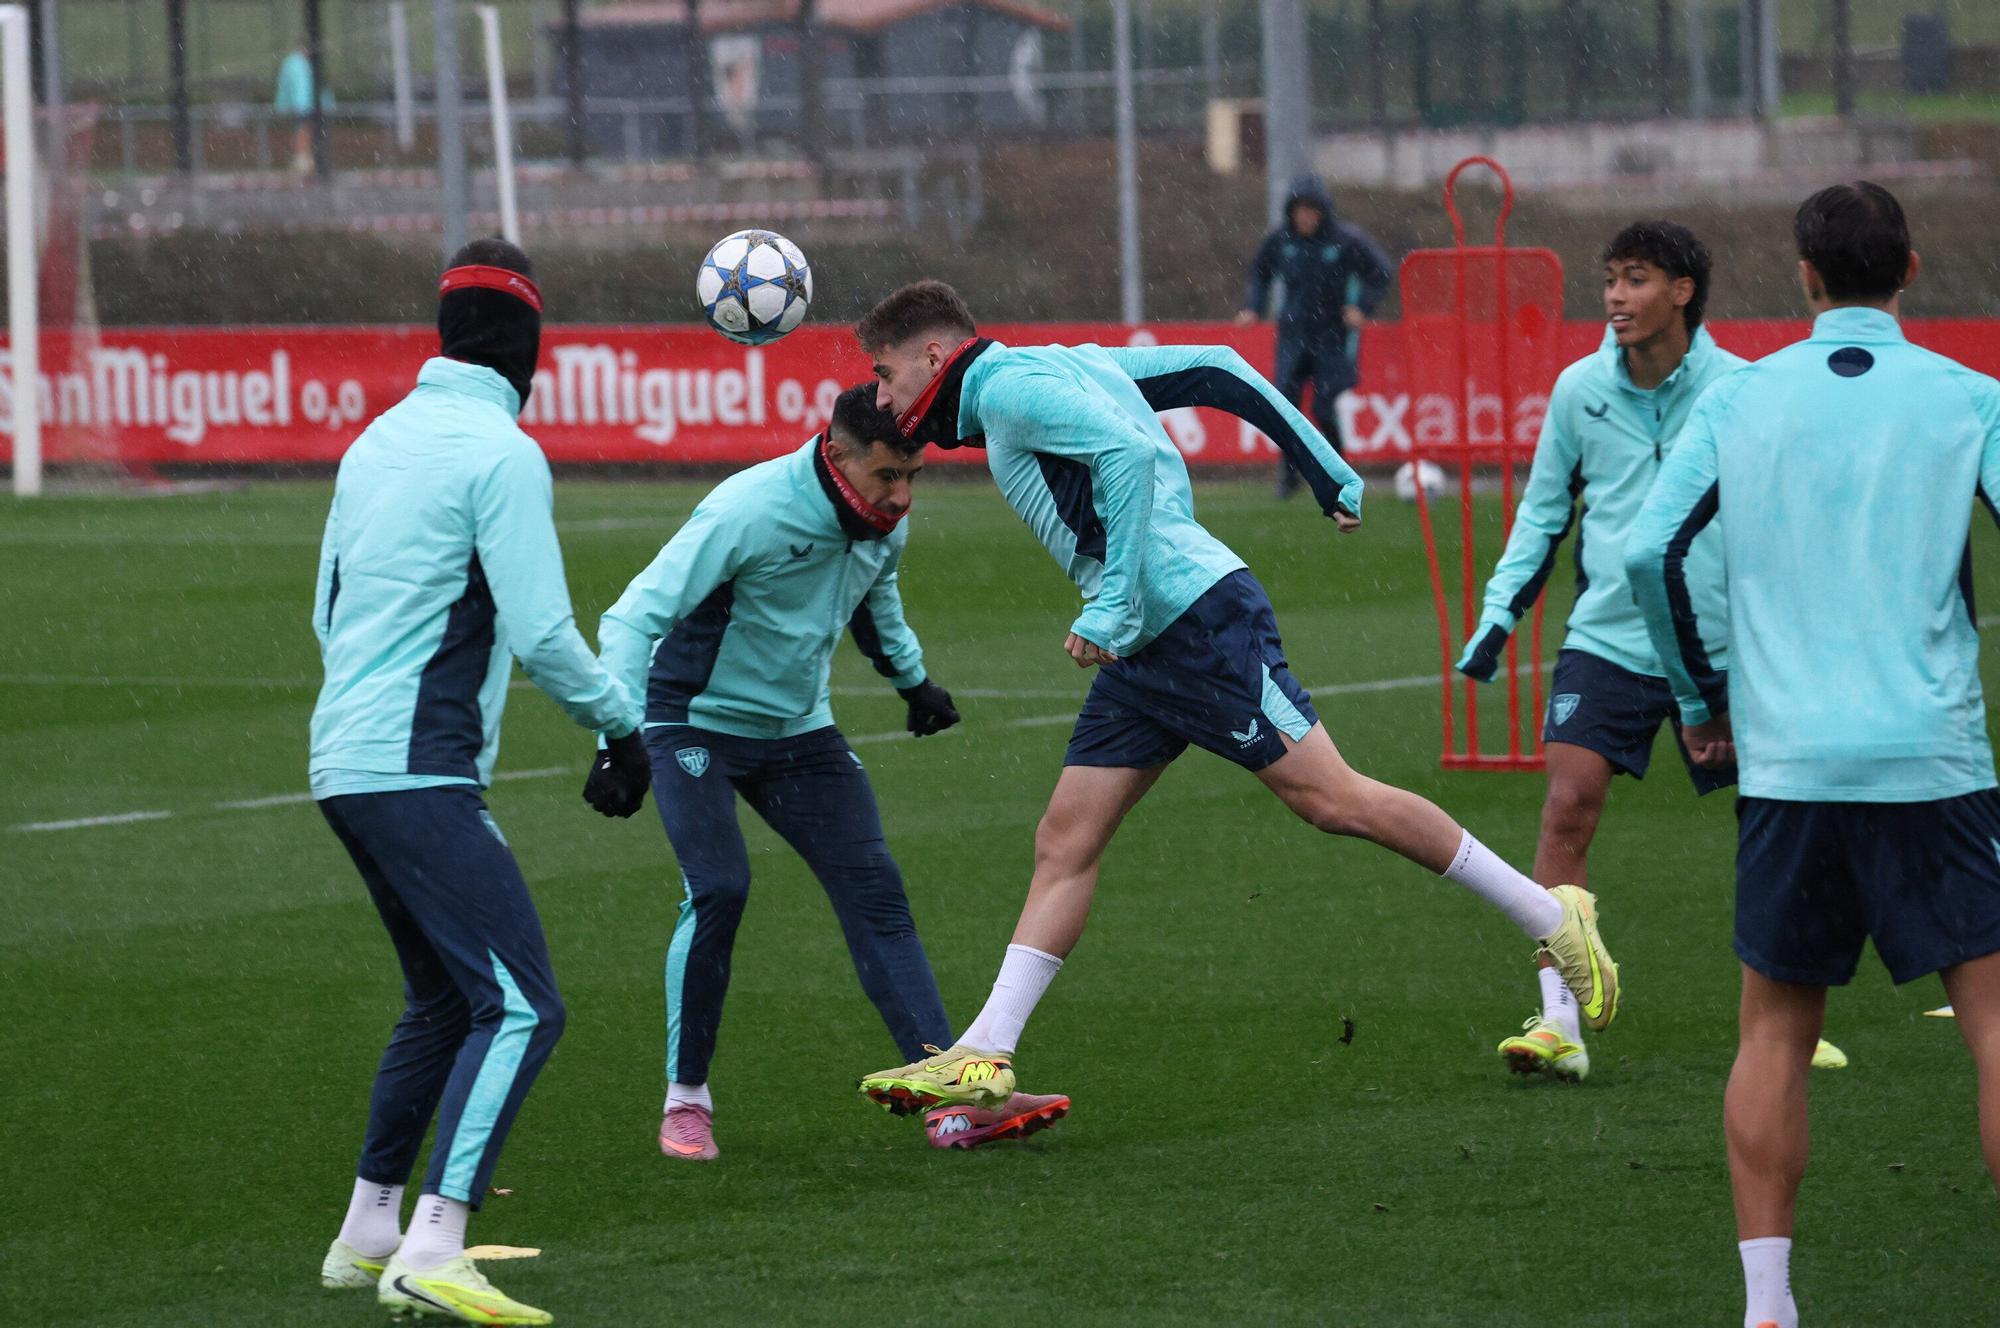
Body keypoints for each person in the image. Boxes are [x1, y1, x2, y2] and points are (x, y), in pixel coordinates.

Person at [848, 280, 1619, 1116]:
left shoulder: (1007, 389)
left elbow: (1130, 456)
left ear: (934, 356)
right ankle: (986, 1055)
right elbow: (1219, 367)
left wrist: (1109, 605)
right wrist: (1327, 472)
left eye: (886, 376)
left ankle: (1551, 916)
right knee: (1065, 838)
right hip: (1147, 642)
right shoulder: (1059, 363)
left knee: (1335, 800)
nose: (884, 398)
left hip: (1190, 619)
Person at [1625, 181, 2000, 1328]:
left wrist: (1700, 698)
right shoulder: (1967, 396)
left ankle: (1767, 1304)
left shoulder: (1743, 401)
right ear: (1911, 267)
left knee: (1775, 1031)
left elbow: (1648, 553)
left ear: (1801, 274)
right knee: (1992, 1019)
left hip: (1787, 764)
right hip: (1929, 757)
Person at [310, 237, 650, 1326]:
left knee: (443, 997)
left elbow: (327, 608)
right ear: (528, 349)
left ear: (444, 334)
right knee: (522, 1006)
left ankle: (369, 1229)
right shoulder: (501, 454)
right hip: (416, 764)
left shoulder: (373, 443)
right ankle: (435, 1242)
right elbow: (544, 630)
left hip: (343, 759)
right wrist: (619, 726)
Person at [592, 385, 1069, 1159]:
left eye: (913, 476)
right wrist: (616, 738)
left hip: (797, 733)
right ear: (837, 454)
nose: (903, 496)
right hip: (691, 720)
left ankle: (947, 1100)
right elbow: (631, 616)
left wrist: (912, 683)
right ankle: (687, 1100)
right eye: (888, 476)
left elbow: (873, 604)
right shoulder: (746, 510)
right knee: (719, 888)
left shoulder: (882, 525)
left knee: (878, 895)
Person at [1455, 221, 1844, 1082]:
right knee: (1567, 806)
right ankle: (1560, 1021)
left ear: (1683, 291)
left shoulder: (1744, 390)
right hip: (1611, 635)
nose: (1617, 298)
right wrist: (1496, 621)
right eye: (1611, 281)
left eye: (1636, 280)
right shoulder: (1576, 391)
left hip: (1728, 641)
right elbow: (1543, 514)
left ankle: (1786, 1017)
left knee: (1773, 821)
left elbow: (1790, 517)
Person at [1235, 174, 1392, 497]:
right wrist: (1253, 306)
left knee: (1323, 408)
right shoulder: (1281, 241)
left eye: (1312, 209)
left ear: (1323, 211)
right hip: (1293, 336)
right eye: (1299, 210)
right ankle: (1289, 476)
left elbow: (1381, 272)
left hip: (1331, 337)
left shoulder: (1345, 241)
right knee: (1285, 408)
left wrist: (1362, 306)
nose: (1305, 216)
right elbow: (1260, 273)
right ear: (1290, 212)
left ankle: (1337, 473)